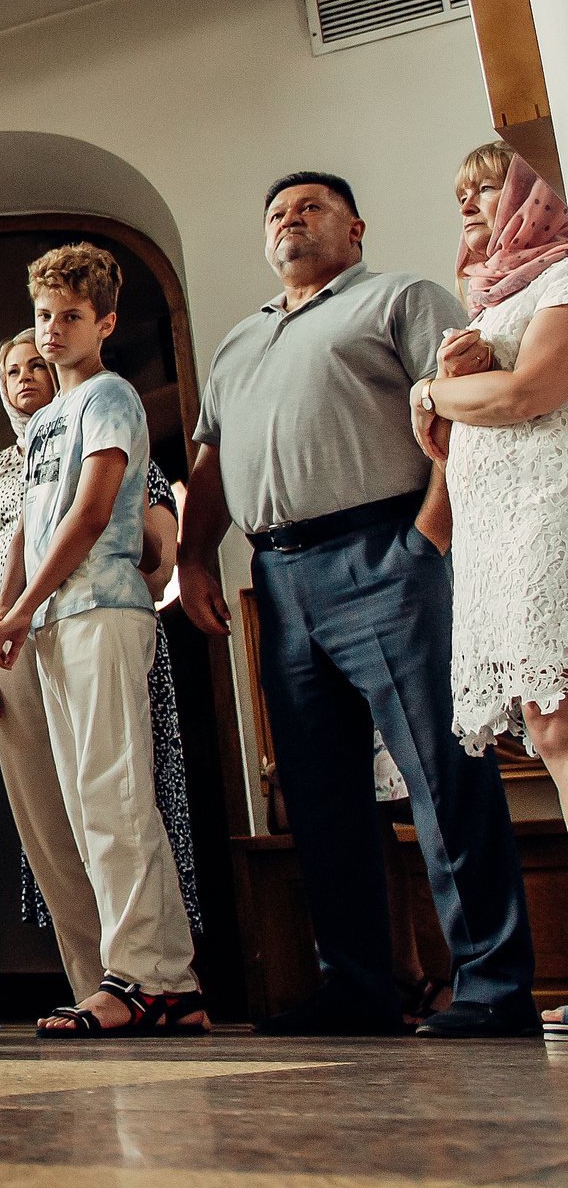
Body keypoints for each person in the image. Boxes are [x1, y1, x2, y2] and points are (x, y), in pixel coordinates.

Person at [178, 171, 534, 1038]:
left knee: (441, 774)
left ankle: (492, 987)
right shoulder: (235, 344)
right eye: (276, 213)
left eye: (309, 208)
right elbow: (213, 464)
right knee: (321, 791)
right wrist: (191, 558)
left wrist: (425, 538)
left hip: (386, 553)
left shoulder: (400, 298)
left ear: (355, 227)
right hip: (280, 577)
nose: (289, 221)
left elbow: (463, 416)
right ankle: (358, 989)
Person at [0, 245, 207, 1038]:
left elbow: (90, 510)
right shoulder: (42, 423)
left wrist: (24, 605)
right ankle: (169, 981)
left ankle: (140, 977)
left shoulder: (109, 395)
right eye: (44, 315)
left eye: (71, 315)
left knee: (113, 795)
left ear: (104, 321)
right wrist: (7, 612)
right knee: (88, 804)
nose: (53, 329)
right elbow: (26, 534)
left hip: (101, 609)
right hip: (50, 622)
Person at [414, 146, 568, 1041]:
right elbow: (438, 432)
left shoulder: (559, 281)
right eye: (460, 190)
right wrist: (445, 391)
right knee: (549, 728)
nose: (470, 202)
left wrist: (441, 384)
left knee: (560, 719)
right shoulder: (487, 299)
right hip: (497, 527)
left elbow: (528, 393)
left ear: (531, 197)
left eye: (486, 187)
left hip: (551, 504)